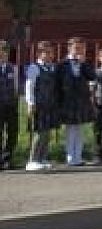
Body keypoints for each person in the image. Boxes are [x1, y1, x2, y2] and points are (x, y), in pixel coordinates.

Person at [57, 36, 95, 166]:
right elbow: (58, 84)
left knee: (79, 130)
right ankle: (70, 157)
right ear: (70, 48)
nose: (79, 51)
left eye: (82, 48)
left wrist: (83, 63)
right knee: (70, 130)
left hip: (81, 101)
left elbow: (92, 76)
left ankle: (78, 157)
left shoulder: (84, 63)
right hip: (68, 101)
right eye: (77, 48)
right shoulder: (62, 64)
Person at [25, 41, 59, 172]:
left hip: (50, 104)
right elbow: (29, 86)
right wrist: (30, 103)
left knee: (48, 133)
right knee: (40, 133)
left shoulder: (51, 67)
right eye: (47, 52)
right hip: (39, 105)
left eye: (51, 52)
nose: (50, 55)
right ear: (40, 53)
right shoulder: (34, 67)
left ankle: (42, 158)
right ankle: (32, 160)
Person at [0, 41, 18, 169]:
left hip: (11, 105)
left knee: (12, 132)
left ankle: (8, 158)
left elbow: (17, 88)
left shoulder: (13, 68)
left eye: (5, 51)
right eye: (1, 51)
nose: (3, 53)